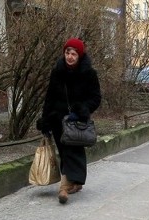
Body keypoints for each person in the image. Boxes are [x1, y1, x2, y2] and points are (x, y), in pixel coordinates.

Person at [36, 38, 102, 204]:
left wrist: (82, 110)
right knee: (64, 151)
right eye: (67, 53)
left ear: (79, 55)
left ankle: (64, 188)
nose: (70, 57)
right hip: (58, 119)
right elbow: (49, 97)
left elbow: (95, 98)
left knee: (73, 151)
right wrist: (45, 120)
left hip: (76, 121)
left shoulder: (89, 73)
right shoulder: (57, 71)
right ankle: (75, 182)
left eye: (74, 54)